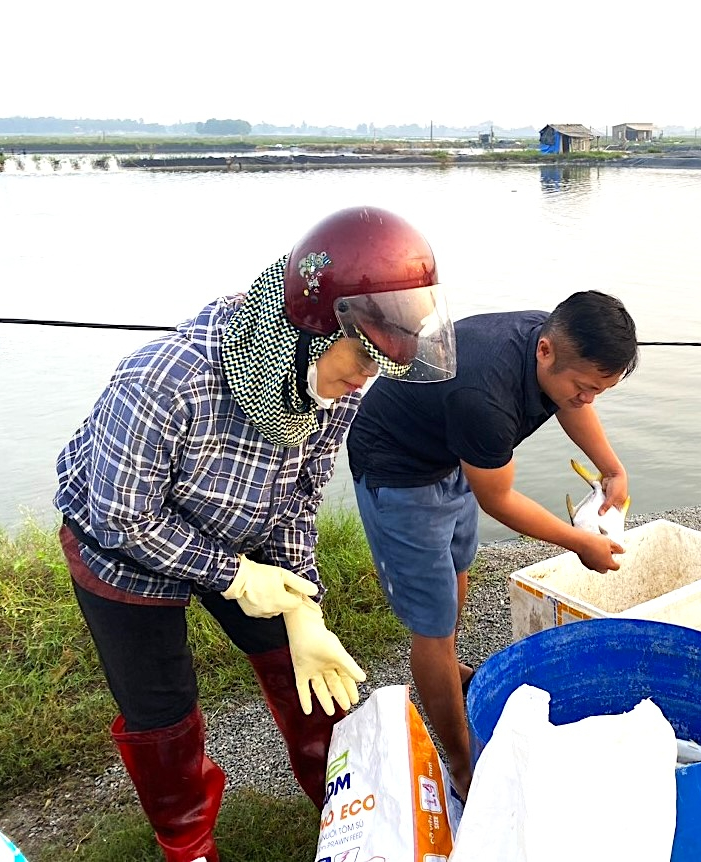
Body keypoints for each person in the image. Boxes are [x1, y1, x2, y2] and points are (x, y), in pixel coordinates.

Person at [54, 205, 457, 862]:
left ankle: (346, 813)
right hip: (121, 547)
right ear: (308, 330)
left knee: (309, 676)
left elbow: (297, 500)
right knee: (162, 713)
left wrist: (304, 607)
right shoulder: (164, 378)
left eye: (379, 364)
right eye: (361, 357)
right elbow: (121, 518)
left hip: (243, 528)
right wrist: (237, 576)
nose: (364, 378)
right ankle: (187, 844)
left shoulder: (338, 379)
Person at [346, 290, 639, 795]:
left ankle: (448, 669)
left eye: (599, 390)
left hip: (451, 453)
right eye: (584, 387)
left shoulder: (547, 341)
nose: (587, 399)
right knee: (431, 625)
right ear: (544, 351)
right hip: (397, 471)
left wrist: (612, 468)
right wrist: (580, 543)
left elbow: (568, 402)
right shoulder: (484, 393)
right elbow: (499, 500)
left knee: (458, 570)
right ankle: (461, 765)